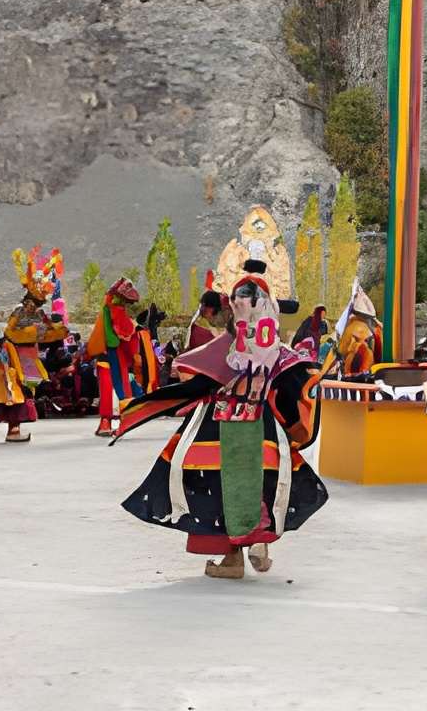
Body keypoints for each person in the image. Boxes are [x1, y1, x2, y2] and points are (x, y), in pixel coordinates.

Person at [118, 206, 327, 579]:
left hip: (219, 427)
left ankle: (232, 560)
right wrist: (295, 426)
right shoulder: (279, 352)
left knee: (214, 487)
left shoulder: (226, 348)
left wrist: (142, 407)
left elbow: (193, 384)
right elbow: (298, 387)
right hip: (262, 429)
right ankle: (259, 544)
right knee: (261, 483)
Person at [0, 253, 71, 443]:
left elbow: (51, 331)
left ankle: (9, 427)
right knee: (14, 393)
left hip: (28, 358)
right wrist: (33, 332)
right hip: (14, 359)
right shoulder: (19, 312)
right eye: (32, 302)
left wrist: (55, 330)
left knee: (23, 393)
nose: (33, 306)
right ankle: (10, 428)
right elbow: (10, 332)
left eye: (37, 303)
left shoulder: (39, 315)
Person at [89, 277, 162, 438]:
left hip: (104, 356)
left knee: (107, 390)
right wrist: (135, 331)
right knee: (121, 388)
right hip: (115, 354)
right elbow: (124, 334)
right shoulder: (116, 311)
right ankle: (123, 421)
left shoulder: (105, 310)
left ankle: (106, 423)